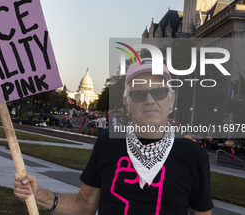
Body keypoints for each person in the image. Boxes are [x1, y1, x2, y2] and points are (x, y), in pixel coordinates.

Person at [13, 58, 213, 215]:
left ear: (172, 100)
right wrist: (39, 195)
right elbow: (84, 205)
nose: (150, 100)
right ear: (127, 102)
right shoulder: (108, 144)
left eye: (159, 92)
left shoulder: (192, 154)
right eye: (139, 94)